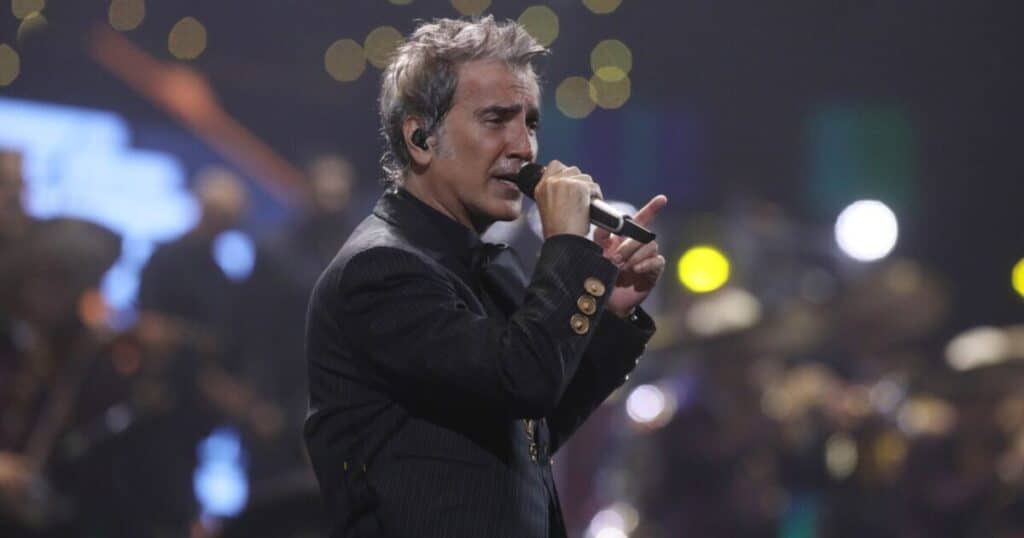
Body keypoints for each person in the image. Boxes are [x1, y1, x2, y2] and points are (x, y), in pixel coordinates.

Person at [304, 16, 668, 538]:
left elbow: (529, 430)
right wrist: (568, 250)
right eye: (496, 119)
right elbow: (524, 380)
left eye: (531, 124)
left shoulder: (484, 267)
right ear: (420, 138)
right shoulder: (381, 271)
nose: (524, 148)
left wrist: (606, 310)